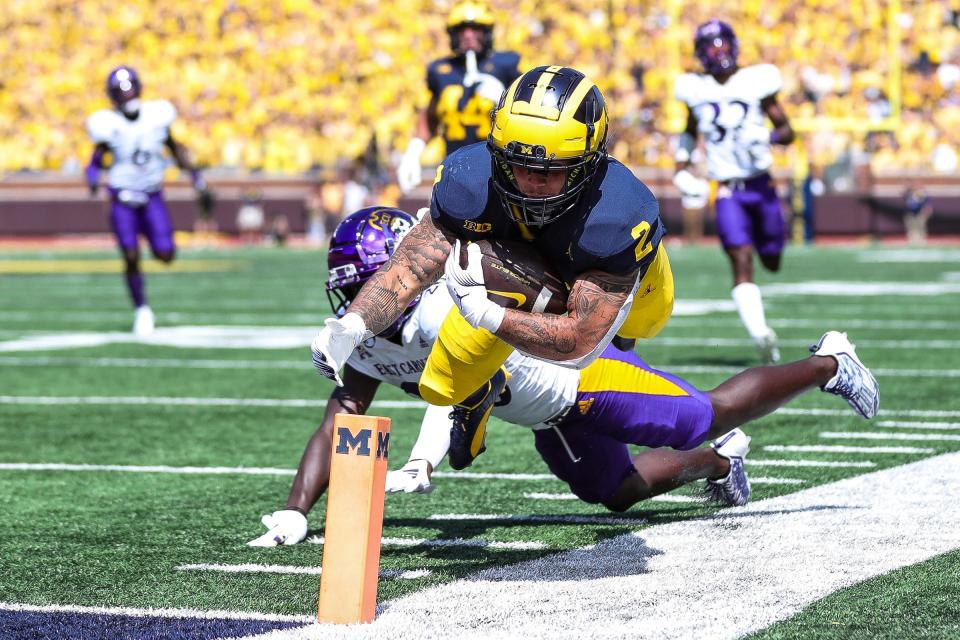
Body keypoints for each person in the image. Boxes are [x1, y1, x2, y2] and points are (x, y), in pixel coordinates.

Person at [251, 207, 880, 546]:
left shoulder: (444, 306)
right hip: (544, 412)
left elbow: (460, 384)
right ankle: (720, 465)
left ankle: (829, 360)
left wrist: (429, 456)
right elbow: (342, 419)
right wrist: (297, 510)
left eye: (363, 287)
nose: (356, 302)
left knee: (702, 414)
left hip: (580, 376)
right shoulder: (368, 343)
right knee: (617, 493)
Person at [313, 65, 676, 472]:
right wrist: (356, 325)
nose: (530, 181)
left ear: (589, 162)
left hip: (620, 283)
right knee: (441, 386)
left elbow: (579, 344)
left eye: (550, 170)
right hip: (521, 270)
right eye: (517, 163)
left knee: (635, 329)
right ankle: (475, 403)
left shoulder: (618, 214)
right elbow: (411, 266)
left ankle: (629, 347)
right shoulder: (469, 179)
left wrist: (490, 315)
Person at [672, 20, 795, 364]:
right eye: (710, 45)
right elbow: (689, 129)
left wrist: (768, 137)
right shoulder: (695, 88)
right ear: (701, 53)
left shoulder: (757, 81)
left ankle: (761, 319)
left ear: (733, 45)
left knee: (771, 259)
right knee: (741, 259)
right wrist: (681, 164)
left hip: (761, 184)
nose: (718, 50)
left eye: (722, 42)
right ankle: (761, 335)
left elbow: (788, 131)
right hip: (727, 189)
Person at [85, 66, 210, 336]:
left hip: (152, 195)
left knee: (166, 254)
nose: (127, 95)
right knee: (130, 255)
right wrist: (92, 177)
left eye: (129, 88)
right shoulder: (108, 124)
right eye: (121, 91)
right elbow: (96, 159)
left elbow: (175, 148)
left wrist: (195, 175)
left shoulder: (157, 116)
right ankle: (142, 309)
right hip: (122, 197)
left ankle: (153, 247)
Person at [395, 1, 521, 194]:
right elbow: (430, 116)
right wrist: (413, 151)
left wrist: (504, 98)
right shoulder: (440, 70)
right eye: (462, 30)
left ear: (487, 32)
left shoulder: (506, 65)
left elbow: (529, 115)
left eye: (475, 28)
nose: (468, 35)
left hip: (499, 169)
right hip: (454, 168)